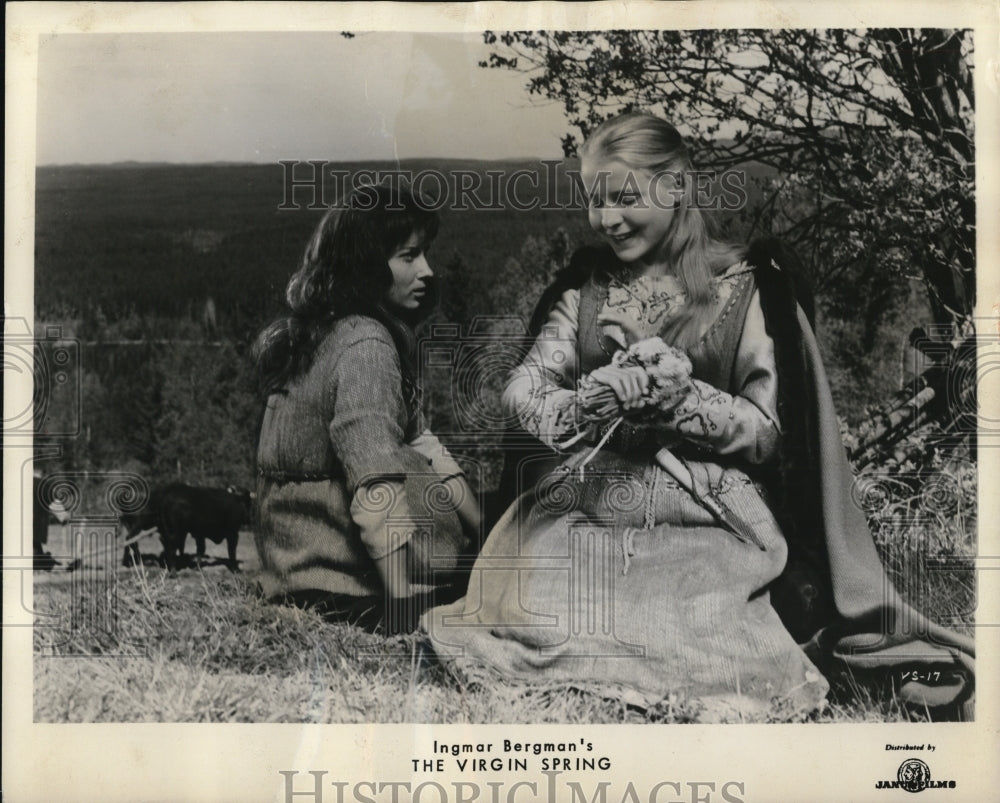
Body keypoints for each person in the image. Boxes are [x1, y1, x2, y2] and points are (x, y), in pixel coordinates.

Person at [422, 112, 974, 720]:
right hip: (589, 502)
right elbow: (522, 388)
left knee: (693, 610)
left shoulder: (746, 291)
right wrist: (594, 396)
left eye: (625, 197)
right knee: (532, 597)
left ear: (678, 186)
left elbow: (768, 436)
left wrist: (676, 399)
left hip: (707, 512)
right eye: (594, 201)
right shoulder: (583, 294)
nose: (606, 220)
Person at [252, 182, 479, 634]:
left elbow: (419, 439)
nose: (427, 270)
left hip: (293, 576)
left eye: (425, 254)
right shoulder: (366, 345)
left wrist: (485, 530)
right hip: (343, 589)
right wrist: (401, 609)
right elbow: (374, 481)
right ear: (365, 266)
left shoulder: (318, 334)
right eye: (409, 256)